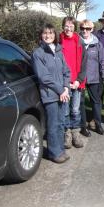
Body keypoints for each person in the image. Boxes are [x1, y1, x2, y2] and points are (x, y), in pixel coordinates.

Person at [32, 24, 71, 163]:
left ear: (55, 35)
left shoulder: (59, 51)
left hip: (63, 94)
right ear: (41, 36)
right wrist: (60, 90)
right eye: (45, 33)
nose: (48, 36)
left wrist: (66, 88)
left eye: (50, 33)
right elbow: (44, 77)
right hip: (50, 95)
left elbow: (66, 71)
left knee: (61, 123)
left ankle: (60, 149)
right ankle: (54, 153)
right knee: (53, 124)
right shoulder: (38, 53)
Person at [59, 17, 87, 149]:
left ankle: (76, 133)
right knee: (64, 110)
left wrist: (78, 80)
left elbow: (84, 64)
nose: (68, 28)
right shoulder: (58, 41)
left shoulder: (79, 42)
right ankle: (67, 134)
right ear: (63, 27)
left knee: (75, 109)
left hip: (76, 82)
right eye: (66, 26)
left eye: (71, 26)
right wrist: (64, 83)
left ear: (74, 28)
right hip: (63, 83)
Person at [79, 19, 104, 135]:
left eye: (88, 28)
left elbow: (102, 60)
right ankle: (83, 126)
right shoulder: (77, 42)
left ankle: (98, 124)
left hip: (94, 76)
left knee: (96, 102)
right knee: (80, 103)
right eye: (82, 28)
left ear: (92, 29)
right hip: (79, 77)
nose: (85, 31)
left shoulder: (97, 43)